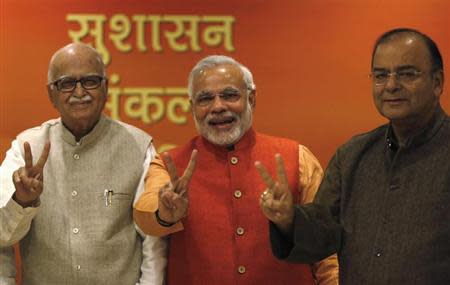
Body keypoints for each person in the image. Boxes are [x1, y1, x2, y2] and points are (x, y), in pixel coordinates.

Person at [262, 28, 449, 284]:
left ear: (437, 82)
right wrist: (288, 219)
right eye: (381, 75)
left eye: (407, 74)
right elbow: (324, 231)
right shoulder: (353, 155)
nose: (392, 85)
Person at [133, 55, 339, 284]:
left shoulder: (298, 158)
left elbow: (327, 251)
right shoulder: (168, 164)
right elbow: (145, 213)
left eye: (230, 96)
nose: (218, 107)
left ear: (251, 99)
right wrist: (164, 213)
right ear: (192, 107)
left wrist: (291, 220)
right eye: (205, 99)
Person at [0, 43, 167, 285]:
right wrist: (22, 202)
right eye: (67, 83)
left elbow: (153, 243)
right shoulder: (25, 149)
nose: (80, 92)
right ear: (51, 94)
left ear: (106, 88)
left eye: (90, 81)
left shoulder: (137, 147)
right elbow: (3, 235)